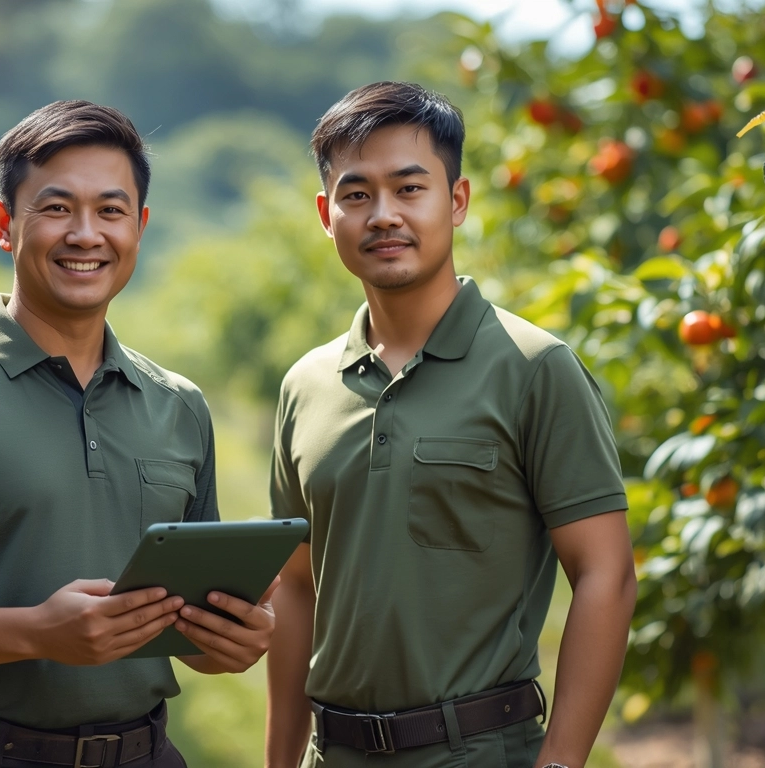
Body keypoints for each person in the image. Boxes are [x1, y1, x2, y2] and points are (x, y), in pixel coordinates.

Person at [0, 100, 277, 768]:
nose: (86, 234)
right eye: (57, 208)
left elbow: (190, 629)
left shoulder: (178, 406)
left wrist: (228, 641)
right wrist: (37, 632)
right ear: (5, 224)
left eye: (111, 210)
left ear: (140, 227)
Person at [264, 81, 637, 768]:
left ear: (457, 200)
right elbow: (295, 587)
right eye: (356, 194)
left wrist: (560, 763)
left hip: (477, 751)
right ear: (326, 214)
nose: (384, 215)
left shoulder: (534, 368)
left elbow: (604, 574)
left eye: (410, 189)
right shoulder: (305, 386)